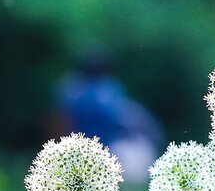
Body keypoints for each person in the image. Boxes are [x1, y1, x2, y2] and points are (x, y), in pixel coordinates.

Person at [57, 50, 164, 182]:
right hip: (108, 149)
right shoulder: (109, 90)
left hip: (79, 150)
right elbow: (134, 119)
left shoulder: (70, 91)